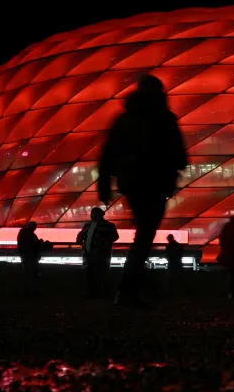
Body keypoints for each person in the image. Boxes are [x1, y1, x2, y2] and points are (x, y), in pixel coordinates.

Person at [98, 74, 187, 307]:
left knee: (143, 234)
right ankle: (128, 290)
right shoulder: (164, 118)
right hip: (155, 182)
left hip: (131, 182)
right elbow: (179, 154)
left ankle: (130, 289)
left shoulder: (124, 119)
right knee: (145, 235)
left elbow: (108, 152)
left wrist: (105, 182)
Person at [77, 208, 119, 297]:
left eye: (95, 215)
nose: (93, 216)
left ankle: (102, 292)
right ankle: (93, 292)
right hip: (89, 253)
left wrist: (102, 242)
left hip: (101, 253)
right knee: (91, 273)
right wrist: (80, 239)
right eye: (92, 215)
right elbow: (81, 234)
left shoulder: (108, 225)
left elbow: (115, 237)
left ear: (101, 215)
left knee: (101, 272)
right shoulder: (88, 225)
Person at [16, 222, 52, 297]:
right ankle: (32, 292)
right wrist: (41, 243)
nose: (35, 229)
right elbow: (33, 245)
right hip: (30, 256)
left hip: (26, 256)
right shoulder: (30, 235)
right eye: (35, 227)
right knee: (33, 274)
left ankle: (27, 292)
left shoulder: (23, 234)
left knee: (28, 274)